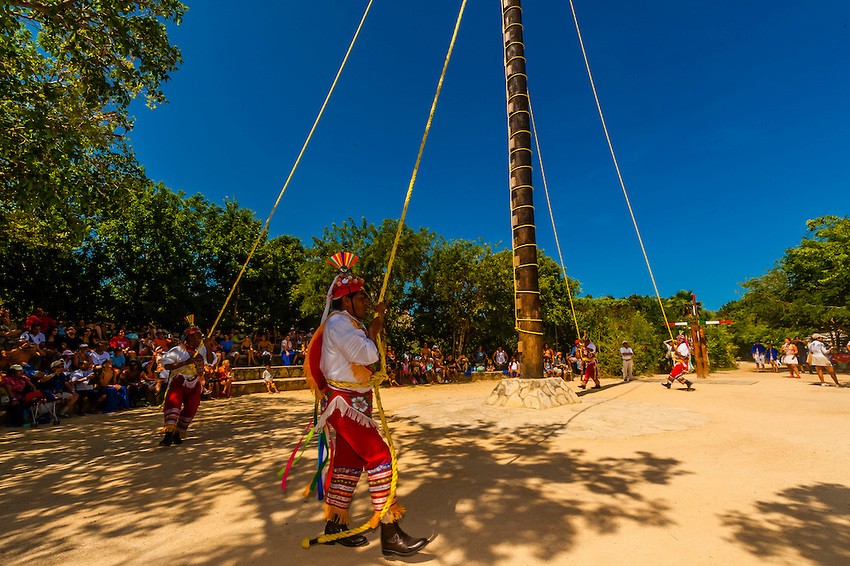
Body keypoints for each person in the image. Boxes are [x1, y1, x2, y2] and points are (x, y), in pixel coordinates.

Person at [301, 253, 428, 556]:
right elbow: (367, 355)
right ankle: (390, 533)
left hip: (354, 404)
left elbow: (366, 352)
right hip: (345, 406)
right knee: (380, 456)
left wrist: (374, 324)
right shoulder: (339, 323)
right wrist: (374, 328)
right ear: (346, 302)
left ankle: (334, 525)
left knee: (350, 462)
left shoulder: (349, 323)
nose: (367, 303)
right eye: (363, 299)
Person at [158, 323, 215, 446]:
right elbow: (166, 366)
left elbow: (210, 361)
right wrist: (185, 362)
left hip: (195, 383)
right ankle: (168, 433)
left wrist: (208, 347)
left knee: (191, 408)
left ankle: (178, 432)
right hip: (178, 381)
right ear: (189, 337)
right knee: (174, 404)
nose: (200, 338)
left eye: (201, 336)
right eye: (197, 336)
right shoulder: (177, 350)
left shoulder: (202, 349)